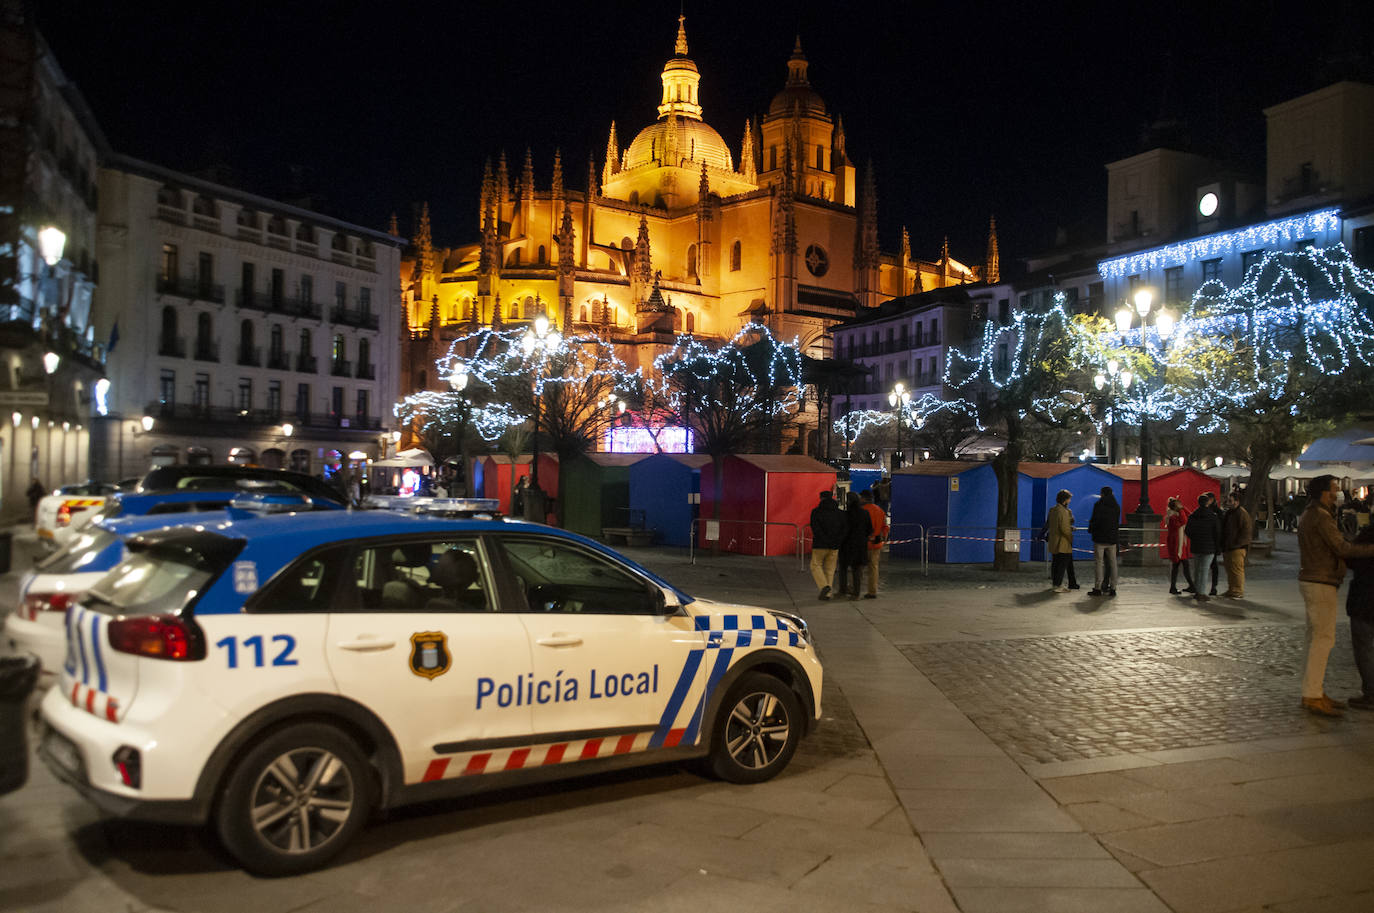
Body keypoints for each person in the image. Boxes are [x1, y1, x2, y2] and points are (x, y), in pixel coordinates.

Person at [1297, 474, 1374, 716]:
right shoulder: (1320, 516)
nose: (1339, 492)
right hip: (1320, 580)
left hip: (1316, 578)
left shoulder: (1314, 513)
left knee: (1317, 639)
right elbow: (1340, 547)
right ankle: (1312, 694)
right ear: (1324, 492)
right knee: (1323, 640)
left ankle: (1315, 691)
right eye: (1335, 488)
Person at [1346, 525, 1374, 711]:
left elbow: (1350, 558)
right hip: (1365, 598)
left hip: (1365, 599)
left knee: (1364, 648)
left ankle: (1371, 693)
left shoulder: (1369, 533)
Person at [808, 490, 847, 600]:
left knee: (815, 565)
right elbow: (844, 529)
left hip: (820, 544)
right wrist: (837, 541)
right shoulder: (840, 513)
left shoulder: (816, 512)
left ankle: (824, 587)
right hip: (835, 546)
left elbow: (815, 528)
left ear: (821, 498)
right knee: (830, 569)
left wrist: (823, 539)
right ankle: (828, 593)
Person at [1185, 493, 1220, 603]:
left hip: (1196, 545)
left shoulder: (1193, 516)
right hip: (1209, 546)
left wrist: (1195, 537)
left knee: (1197, 569)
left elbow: (1187, 531)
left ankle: (1197, 590)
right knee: (1204, 570)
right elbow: (1217, 533)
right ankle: (1201, 592)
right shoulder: (1213, 517)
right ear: (1208, 502)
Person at [839, 491, 872, 600]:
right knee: (856, 570)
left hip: (846, 545)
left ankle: (842, 590)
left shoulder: (844, 514)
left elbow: (843, 530)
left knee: (843, 568)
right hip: (860, 546)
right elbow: (869, 530)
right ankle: (856, 594)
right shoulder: (865, 513)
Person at [1087, 486, 1120, 597]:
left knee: (1099, 563)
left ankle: (1098, 587)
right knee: (1113, 563)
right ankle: (1113, 587)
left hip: (1100, 539)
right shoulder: (1116, 506)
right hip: (1112, 539)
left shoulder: (1098, 505)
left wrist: (1091, 529)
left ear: (1102, 494)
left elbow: (1095, 521)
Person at [1221, 489, 1252, 598]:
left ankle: (1238, 590)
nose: (1228, 503)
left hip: (1237, 547)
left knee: (1236, 570)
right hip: (1229, 546)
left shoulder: (1241, 513)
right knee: (1230, 570)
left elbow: (1245, 531)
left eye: (1230, 500)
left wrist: (1237, 543)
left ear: (1236, 502)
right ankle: (1232, 589)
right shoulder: (1230, 513)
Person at [859, 489, 889, 599]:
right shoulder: (880, 511)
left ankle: (854, 589)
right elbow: (885, 527)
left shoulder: (862, 510)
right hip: (876, 544)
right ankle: (872, 591)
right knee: (874, 568)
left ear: (863, 498)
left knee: (859, 567)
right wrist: (882, 537)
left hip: (863, 544)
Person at [1047, 489, 1078, 593]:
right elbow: (1064, 528)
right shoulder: (1063, 512)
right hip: (1063, 542)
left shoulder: (1053, 510)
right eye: (1069, 499)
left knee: (1056, 563)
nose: (1070, 501)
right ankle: (1058, 585)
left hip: (1054, 541)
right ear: (1065, 500)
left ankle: (1056, 584)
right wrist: (1070, 537)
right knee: (1061, 565)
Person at [1164, 497, 1195, 595]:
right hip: (1177, 543)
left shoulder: (1172, 516)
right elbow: (1185, 520)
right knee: (1179, 565)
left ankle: (1178, 586)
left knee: (1179, 565)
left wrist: (1181, 508)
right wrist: (1182, 509)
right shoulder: (1173, 517)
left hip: (1178, 542)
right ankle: (1176, 587)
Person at [1204, 492, 1224, 596]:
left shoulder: (1216, 512)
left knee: (1212, 565)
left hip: (1212, 542)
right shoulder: (1214, 511)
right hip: (1211, 542)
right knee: (1211, 565)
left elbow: (1219, 530)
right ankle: (1211, 586)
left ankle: (1213, 586)